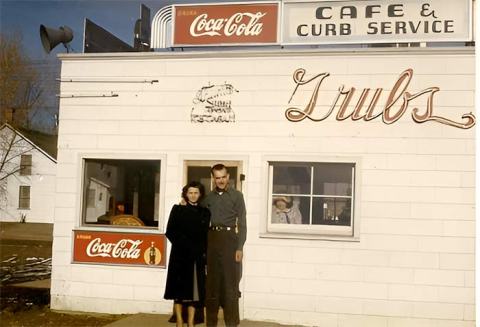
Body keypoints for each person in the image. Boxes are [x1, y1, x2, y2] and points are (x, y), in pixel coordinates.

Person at [203, 164, 246, 327]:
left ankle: (232, 323)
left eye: (223, 177)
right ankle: (211, 323)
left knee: (230, 284)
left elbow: (242, 223)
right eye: (217, 177)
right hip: (212, 239)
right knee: (212, 284)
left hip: (230, 240)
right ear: (213, 178)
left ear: (228, 177)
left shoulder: (237, 196)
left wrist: (240, 247)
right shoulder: (207, 198)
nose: (220, 180)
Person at [164, 181, 211, 327]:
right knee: (178, 292)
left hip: (196, 257)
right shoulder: (178, 209)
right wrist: (186, 245)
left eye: (196, 192)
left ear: (200, 194)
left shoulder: (205, 212)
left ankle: (190, 322)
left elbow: (204, 236)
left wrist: (203, 254)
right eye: (190, 192)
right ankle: (179, 320)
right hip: (180, 256)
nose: (193, 195)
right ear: (186, 194)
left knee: (193, 293)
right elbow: (170, 231)